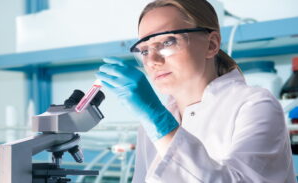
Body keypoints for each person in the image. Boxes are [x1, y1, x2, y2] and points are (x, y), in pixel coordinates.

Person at [96, 0, 296, 182]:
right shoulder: (151, 125)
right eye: (145, 50)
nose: (153, 61)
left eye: (167, 42)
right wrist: (156, 121)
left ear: (211, 44)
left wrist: (160, 123)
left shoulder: (255, 105)